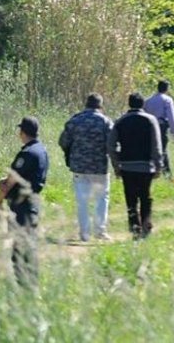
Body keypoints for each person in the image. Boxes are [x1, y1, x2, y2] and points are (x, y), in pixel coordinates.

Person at [0, 117, 49, 286]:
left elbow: (9, 182)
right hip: (33, 204)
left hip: (21, 207)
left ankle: (24, 287)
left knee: (19, 250)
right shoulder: (42, 151)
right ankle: (32, 284)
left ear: (23, 132)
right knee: (29, 247)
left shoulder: (26, 153)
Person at [58, 93, 113, 242]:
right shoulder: (106, 122)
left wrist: (71, 153)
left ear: (86, 104)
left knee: (82, 200)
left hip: (79, 167)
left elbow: (63, 141)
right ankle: (100, 231)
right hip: (99, 167)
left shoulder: (75, 121)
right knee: (102, 198)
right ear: (101, 106)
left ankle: (84, 233)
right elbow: (112, 144)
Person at [108, 93, 162, 240]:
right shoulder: (151, 120)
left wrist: (116, 165)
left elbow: (110, 146)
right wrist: (159, 166)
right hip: (146, 166)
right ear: (142, 104)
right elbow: (156, 146)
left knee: (130, 198)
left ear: (129, 104)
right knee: (145, 196)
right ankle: (146, 225)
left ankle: (134, 227)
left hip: (127, 167)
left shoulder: (120, 122)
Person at [144, 80, 174, 178]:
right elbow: (171, 116)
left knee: (151, 149)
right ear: (167, 89)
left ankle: (151, 171)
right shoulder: (167, 100)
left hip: (150, 127)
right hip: (161, 126)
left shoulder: (149, 100)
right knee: (162, 150)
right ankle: (166, 173)